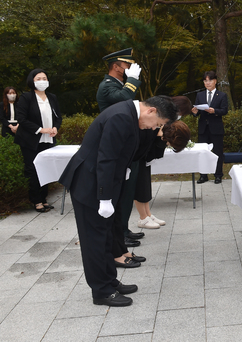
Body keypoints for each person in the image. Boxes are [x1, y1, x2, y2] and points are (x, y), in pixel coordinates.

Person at [59, 96, 177, 307]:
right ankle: (101, 291)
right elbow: (106, 157)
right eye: (157, 124)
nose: (154, 128)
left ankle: (109, 281)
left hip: (102, 182)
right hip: (90, 185)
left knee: (106, 237)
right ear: (150, 111)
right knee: (94, 240)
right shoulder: (121, 117)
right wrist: (104, 197)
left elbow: (125, 152)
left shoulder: (130, 115)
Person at [97, 48, 146, 251]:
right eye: (126, 65)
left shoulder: (117, 84)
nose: (129, 68)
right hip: (115, 144)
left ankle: (123, 229)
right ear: (116, 66)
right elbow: (123, 98)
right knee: (121, 191)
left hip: (125, 142)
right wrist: (133, 80)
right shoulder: (107, 86)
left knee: (128, 191)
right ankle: (119, 232)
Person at [14, 70, 62, 213]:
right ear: (32, 81)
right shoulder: (26, 97)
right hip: (30, 140)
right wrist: (40, 129)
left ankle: (44, 198)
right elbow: (21, 119)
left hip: (48, 139)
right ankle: (36, 201)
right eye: (38, 78)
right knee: (33, 170)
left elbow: (58, 117)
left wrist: (55, 128)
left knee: (45, 169)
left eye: (44, 78)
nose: (42, 81)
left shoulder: (52, 97)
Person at [135, 120, 191, 229]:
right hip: (138, 159)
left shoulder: (162, 130)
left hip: (145, 159)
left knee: (145, 185)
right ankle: (142, 217)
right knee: (139, 186)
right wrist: (160, 139)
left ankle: (148, 214)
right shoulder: (151, 127)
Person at [192, 71, 228, 184]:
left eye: (210, 80)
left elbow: (224, 110)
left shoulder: (222, 95)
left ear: (215, 81)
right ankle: (203, 175)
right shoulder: (200, 95)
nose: (207, 83)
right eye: (205, 81)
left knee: (217, 152)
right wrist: (194, 112)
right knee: (203, 152)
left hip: (216, 128)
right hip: (203, 128)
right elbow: (196, 112)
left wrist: (214, 111)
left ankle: (218, 175)